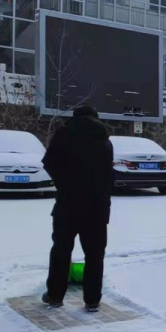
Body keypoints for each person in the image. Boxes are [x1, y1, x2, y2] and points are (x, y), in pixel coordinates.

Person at [41, 106, 114, 313]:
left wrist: (63, 182)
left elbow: (48, 162)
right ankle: (92, 300)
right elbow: (109, 175)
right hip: (97, 206)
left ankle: (55, 296)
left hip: (68, 203)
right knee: (95, 254)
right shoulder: (104, 140)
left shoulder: (63, 135)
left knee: (61, 250)